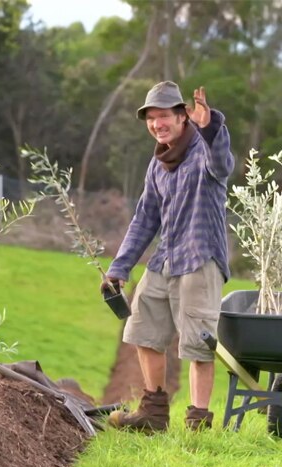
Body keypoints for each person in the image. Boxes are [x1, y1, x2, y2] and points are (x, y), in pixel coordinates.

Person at [105, 81, 234, 432]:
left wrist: (211, 127)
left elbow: (223, 164)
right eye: (151, 118)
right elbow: (145, 218)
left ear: (182, 117)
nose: (156, 124)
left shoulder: (204, 151)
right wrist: (120, 267)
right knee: (142, 327)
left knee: (198, 344)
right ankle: (154, 414)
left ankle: (197, 423)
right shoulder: (158, 163)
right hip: (166, 259)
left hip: (201, 258)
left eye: (163, 116)